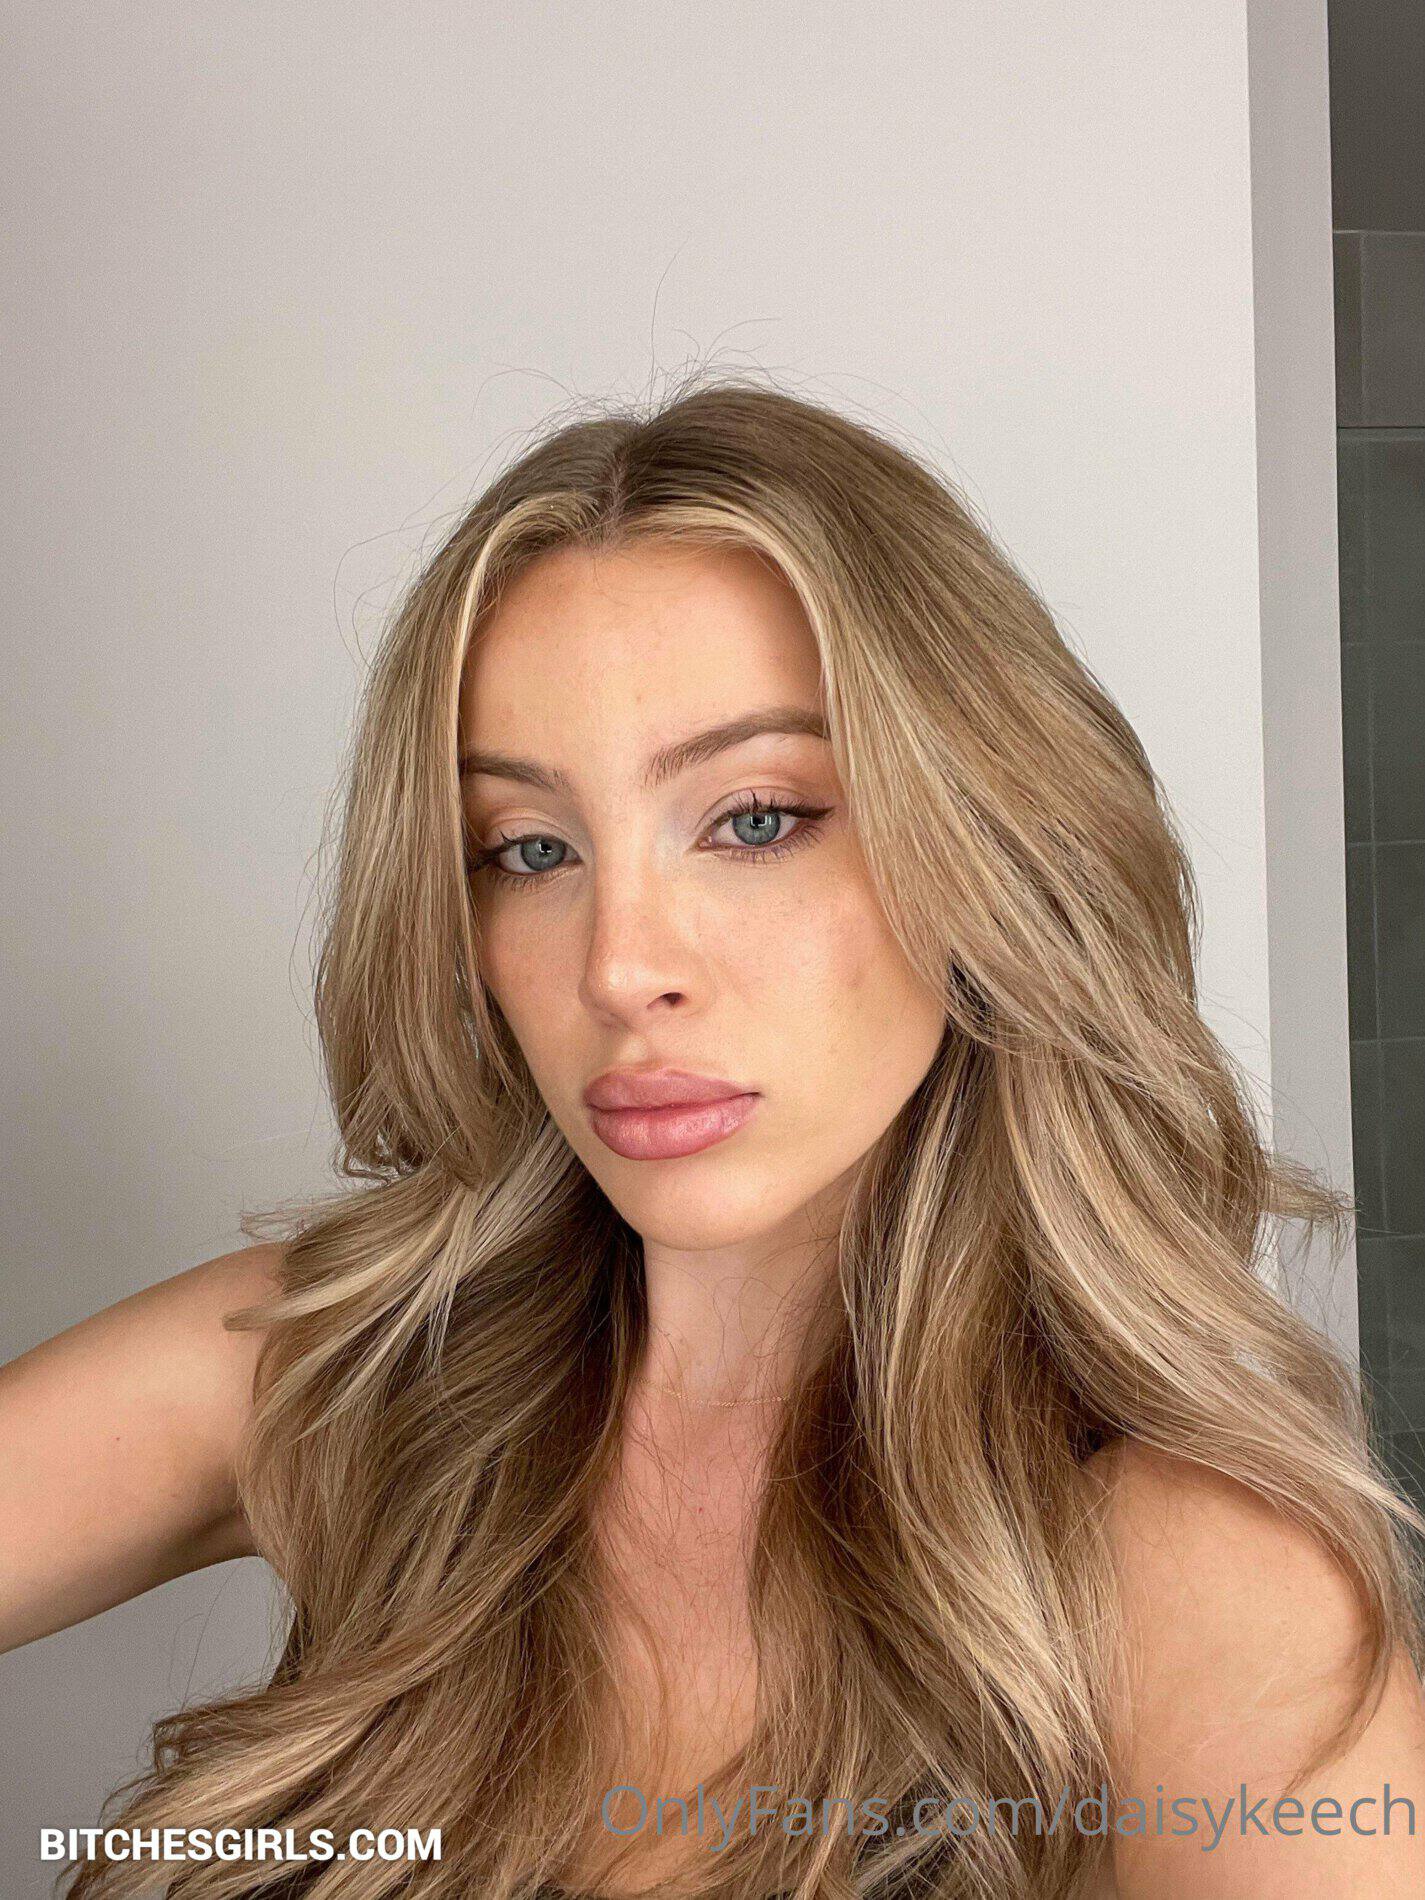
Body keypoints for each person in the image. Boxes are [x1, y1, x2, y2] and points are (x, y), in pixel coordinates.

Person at [4, 376, 1424, 1899]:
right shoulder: (347, 1378)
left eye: (754, 819)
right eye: (528, 849)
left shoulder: (1205, 1587)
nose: (620, 967)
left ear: (991, 849)